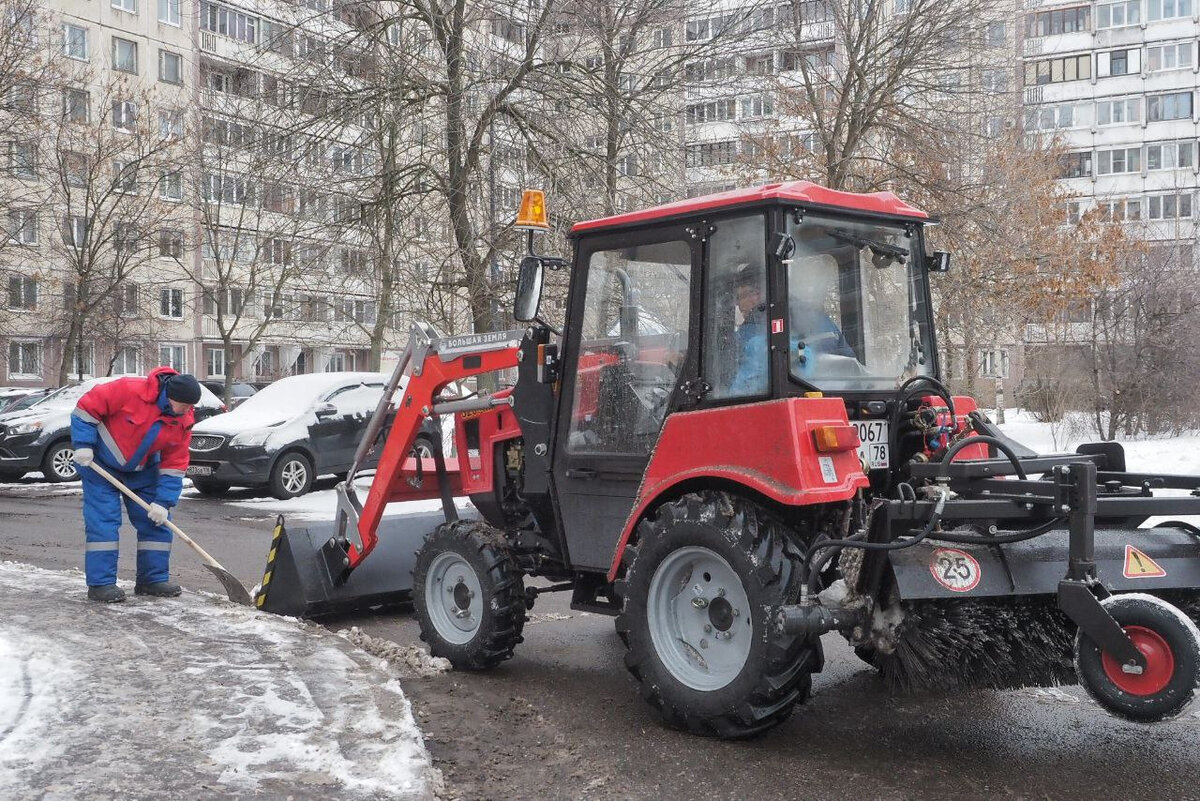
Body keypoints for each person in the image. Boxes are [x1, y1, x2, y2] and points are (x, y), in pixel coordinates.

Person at [70, 367, 199, 603]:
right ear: (171, 397)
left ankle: (152, 579)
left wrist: (163, 502)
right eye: (186, 405)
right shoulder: (129, 390)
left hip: (143, 471)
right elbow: (85, 409)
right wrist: (83, 444)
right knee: (104, 524)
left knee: (157, 523)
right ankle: (101, 584)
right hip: (100, 466)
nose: (188, 411)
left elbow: (175, 463)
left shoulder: (183, 420)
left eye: (192, 407)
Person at [727, 263, 768, 396]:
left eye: (743, 295)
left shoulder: (747, 336)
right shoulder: (810, 318)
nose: (740, 303)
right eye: (740, 297)